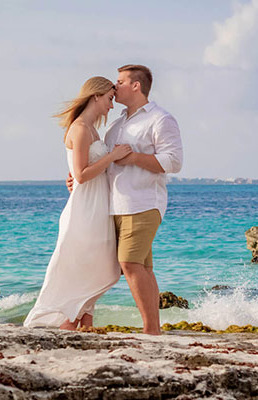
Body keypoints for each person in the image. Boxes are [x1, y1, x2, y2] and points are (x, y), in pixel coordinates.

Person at [66, 65, 183, 335]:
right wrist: (75, 176)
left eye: (119, 82)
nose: (114, 87)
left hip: (142, 202)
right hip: (112, 204)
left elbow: (174, 161)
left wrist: (131, 158)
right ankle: (153, 329)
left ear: (136, 86)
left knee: (129, 264)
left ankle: (150, 330)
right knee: (141, 266)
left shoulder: (160, 119)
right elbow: (101, 163)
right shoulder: (117, 124)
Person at [24, 77, 133, 330]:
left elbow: (82, 173)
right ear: (96, 96)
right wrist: (113, 156)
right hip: (85, 209)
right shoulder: (81, 128)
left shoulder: (93, 129)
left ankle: (86, 324)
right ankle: (71, 324)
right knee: (92, 266)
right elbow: (82, 175)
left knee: (97, 266)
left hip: (97, 206)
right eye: (109, 99)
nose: (111, 105)